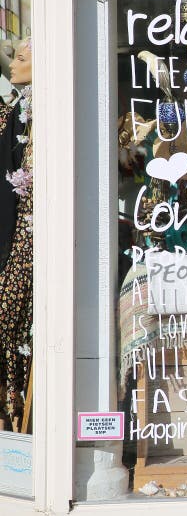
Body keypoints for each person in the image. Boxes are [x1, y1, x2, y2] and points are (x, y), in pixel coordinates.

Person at [0, 38, 32, 431]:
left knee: (11, 321)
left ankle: (18, 411)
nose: (13, 65)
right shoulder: (15, 114)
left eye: (21, 59)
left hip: (26, 236)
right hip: (15, 231)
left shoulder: (35, 115)